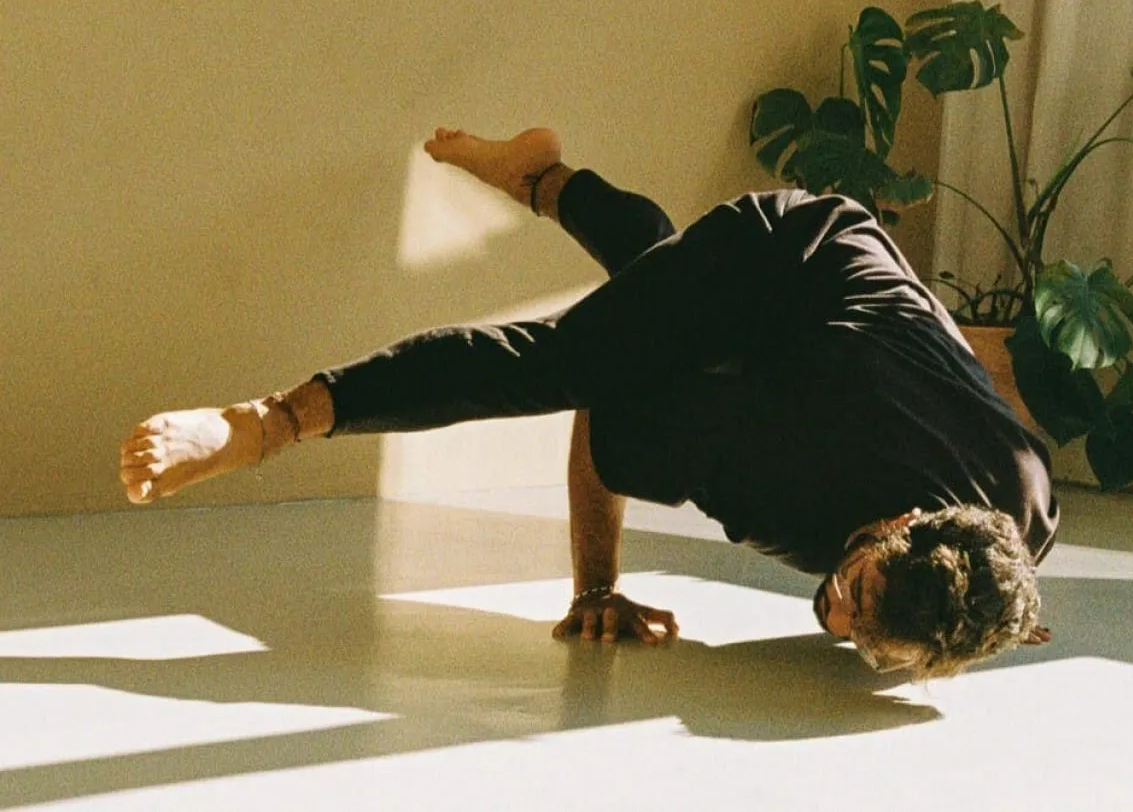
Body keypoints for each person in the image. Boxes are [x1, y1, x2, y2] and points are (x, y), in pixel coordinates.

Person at [119, 127, 1058, 679]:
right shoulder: (782, 457)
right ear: (895, 522)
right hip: (792, 256)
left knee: (651, 291)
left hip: (859, 321)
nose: (840, 621)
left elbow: (974, 374)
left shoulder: (1024, 518)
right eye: (855, 593)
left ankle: (540, 172)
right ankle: (268, 420)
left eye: (869, 645)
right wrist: (596, 586)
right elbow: (606, 401)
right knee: (570, 355)